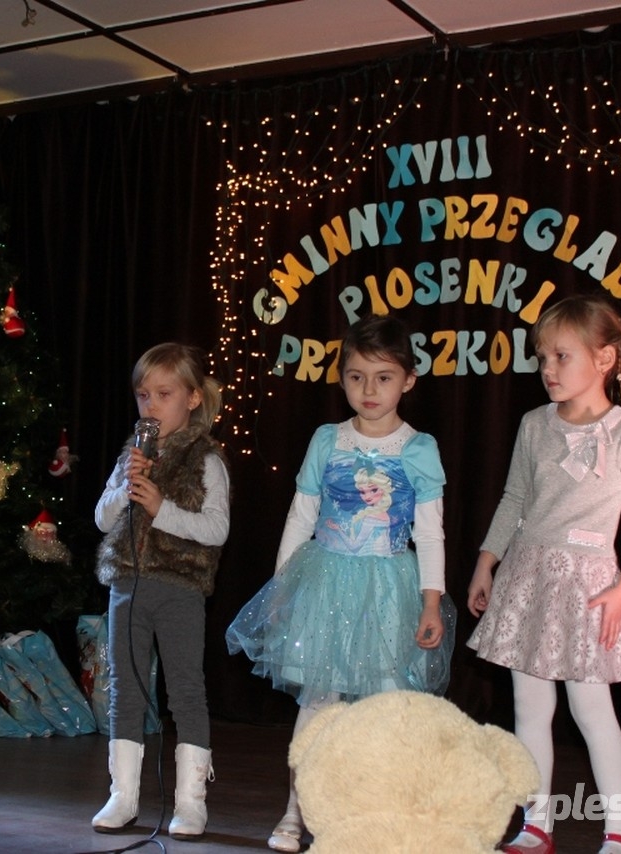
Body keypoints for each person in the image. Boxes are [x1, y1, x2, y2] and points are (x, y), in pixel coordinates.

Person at [226, 313, 455, 853]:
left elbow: (431, 532)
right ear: (342, 379)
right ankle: (296, 811)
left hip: (388, 590)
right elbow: (301, 515)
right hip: (325, 584)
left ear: (408, 380)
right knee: (318, 703)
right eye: (356, 376)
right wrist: (282, 588)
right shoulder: (327, 440)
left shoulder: (418, 448)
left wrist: (431, 601)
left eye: (383, 377)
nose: (369, 389)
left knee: (388, 706)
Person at [466, 293, 621, 854]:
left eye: (562, 356)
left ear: (604, 359)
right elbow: (515, 499)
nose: (548, 369)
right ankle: (536, 824)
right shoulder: (534, 424)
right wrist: (487, 560)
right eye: (542, 358)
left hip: (588, 589)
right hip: (527, 577)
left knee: (591, 709)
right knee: (529, 708)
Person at [91, 342, 231, 840]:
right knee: (124, 689)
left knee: (185, 691)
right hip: (127, 587)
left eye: (163, 394)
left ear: (192, 398)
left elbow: (216, 529)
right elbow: (102, 519)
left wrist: (160, 508)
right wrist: (123, 488)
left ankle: (191, 803)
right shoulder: (132, 455)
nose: (150, 405)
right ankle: (123, 795)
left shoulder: (206, 459)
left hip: (179, 589)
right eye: (143, 395)